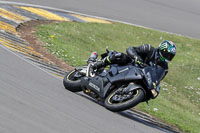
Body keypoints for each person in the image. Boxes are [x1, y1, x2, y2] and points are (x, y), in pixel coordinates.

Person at [87, 40, 176, 98]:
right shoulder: (149, 49)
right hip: (130, 64)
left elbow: (157, 79)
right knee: (119, 56)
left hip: (142, 76)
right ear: (161, 49)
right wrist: (136, 57)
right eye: (166, 54)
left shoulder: (164, 68)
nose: (167, 57)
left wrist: (155, 87)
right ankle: (96, 65)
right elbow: (130, 49)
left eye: (170, 56)